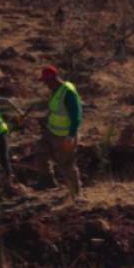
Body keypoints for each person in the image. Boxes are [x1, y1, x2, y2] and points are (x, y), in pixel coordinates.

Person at [33, 65, 82, 198]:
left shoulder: (68, 93)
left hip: (64, 136)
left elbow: (76, 116)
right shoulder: (56, 91)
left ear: (53, 79)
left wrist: (71, 136)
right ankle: (48, 182)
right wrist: (45, 120)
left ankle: (75, 195)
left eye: (46, 82)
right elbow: (56, 110)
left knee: (67, 165)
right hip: (51, 132)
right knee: (40, 152)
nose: (46, 85)